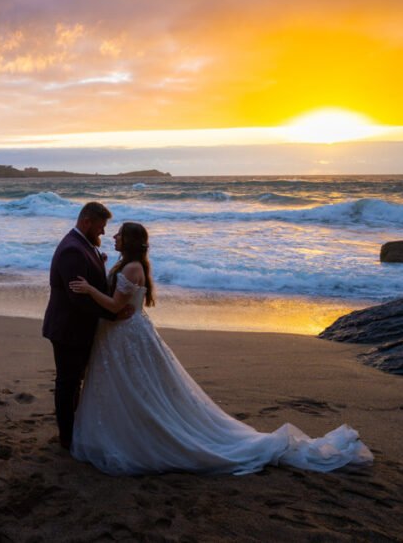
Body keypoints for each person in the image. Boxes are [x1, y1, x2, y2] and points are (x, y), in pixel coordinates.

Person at [68, 222, 373, 476]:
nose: (115, 236)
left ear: (130, 240)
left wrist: (90, 289)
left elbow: (114, 304)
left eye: (120, 233)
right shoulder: (125, 264)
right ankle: (129, 432)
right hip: (120, 334)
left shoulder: (133, 268)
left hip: (128, 337)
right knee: (130, 389)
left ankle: (144, 438)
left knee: (140, 388)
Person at [42, 202, 132, 450]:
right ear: (87, 222)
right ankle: (67, 437)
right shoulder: (73, 250)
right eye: (101, 227)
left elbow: (89, 281)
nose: (103, 232)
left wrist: (99, 262)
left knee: (73, 381)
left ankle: (72, 431)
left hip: (75, 327)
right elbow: (78, 298)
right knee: (67, 383)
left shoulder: (84, 245)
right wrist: (113, 314)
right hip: (68, 328)